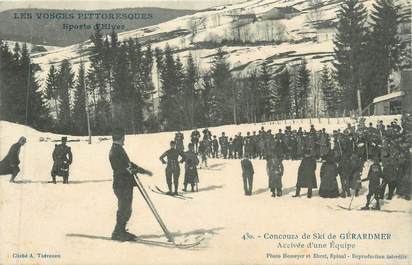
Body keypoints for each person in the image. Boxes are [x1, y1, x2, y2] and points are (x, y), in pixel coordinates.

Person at [109, 128, 152, 241]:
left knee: (126, 209)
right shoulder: (115, 151)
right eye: (123, 138)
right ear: (120, 138)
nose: (124, 140)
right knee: (124, 210)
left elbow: (128, 164)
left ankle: (120, 231)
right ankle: (118, 233)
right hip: (121, 184)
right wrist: (133, 170)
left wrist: (142, 170)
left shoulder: (118, 149)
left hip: (124, 184)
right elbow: (122, 167)